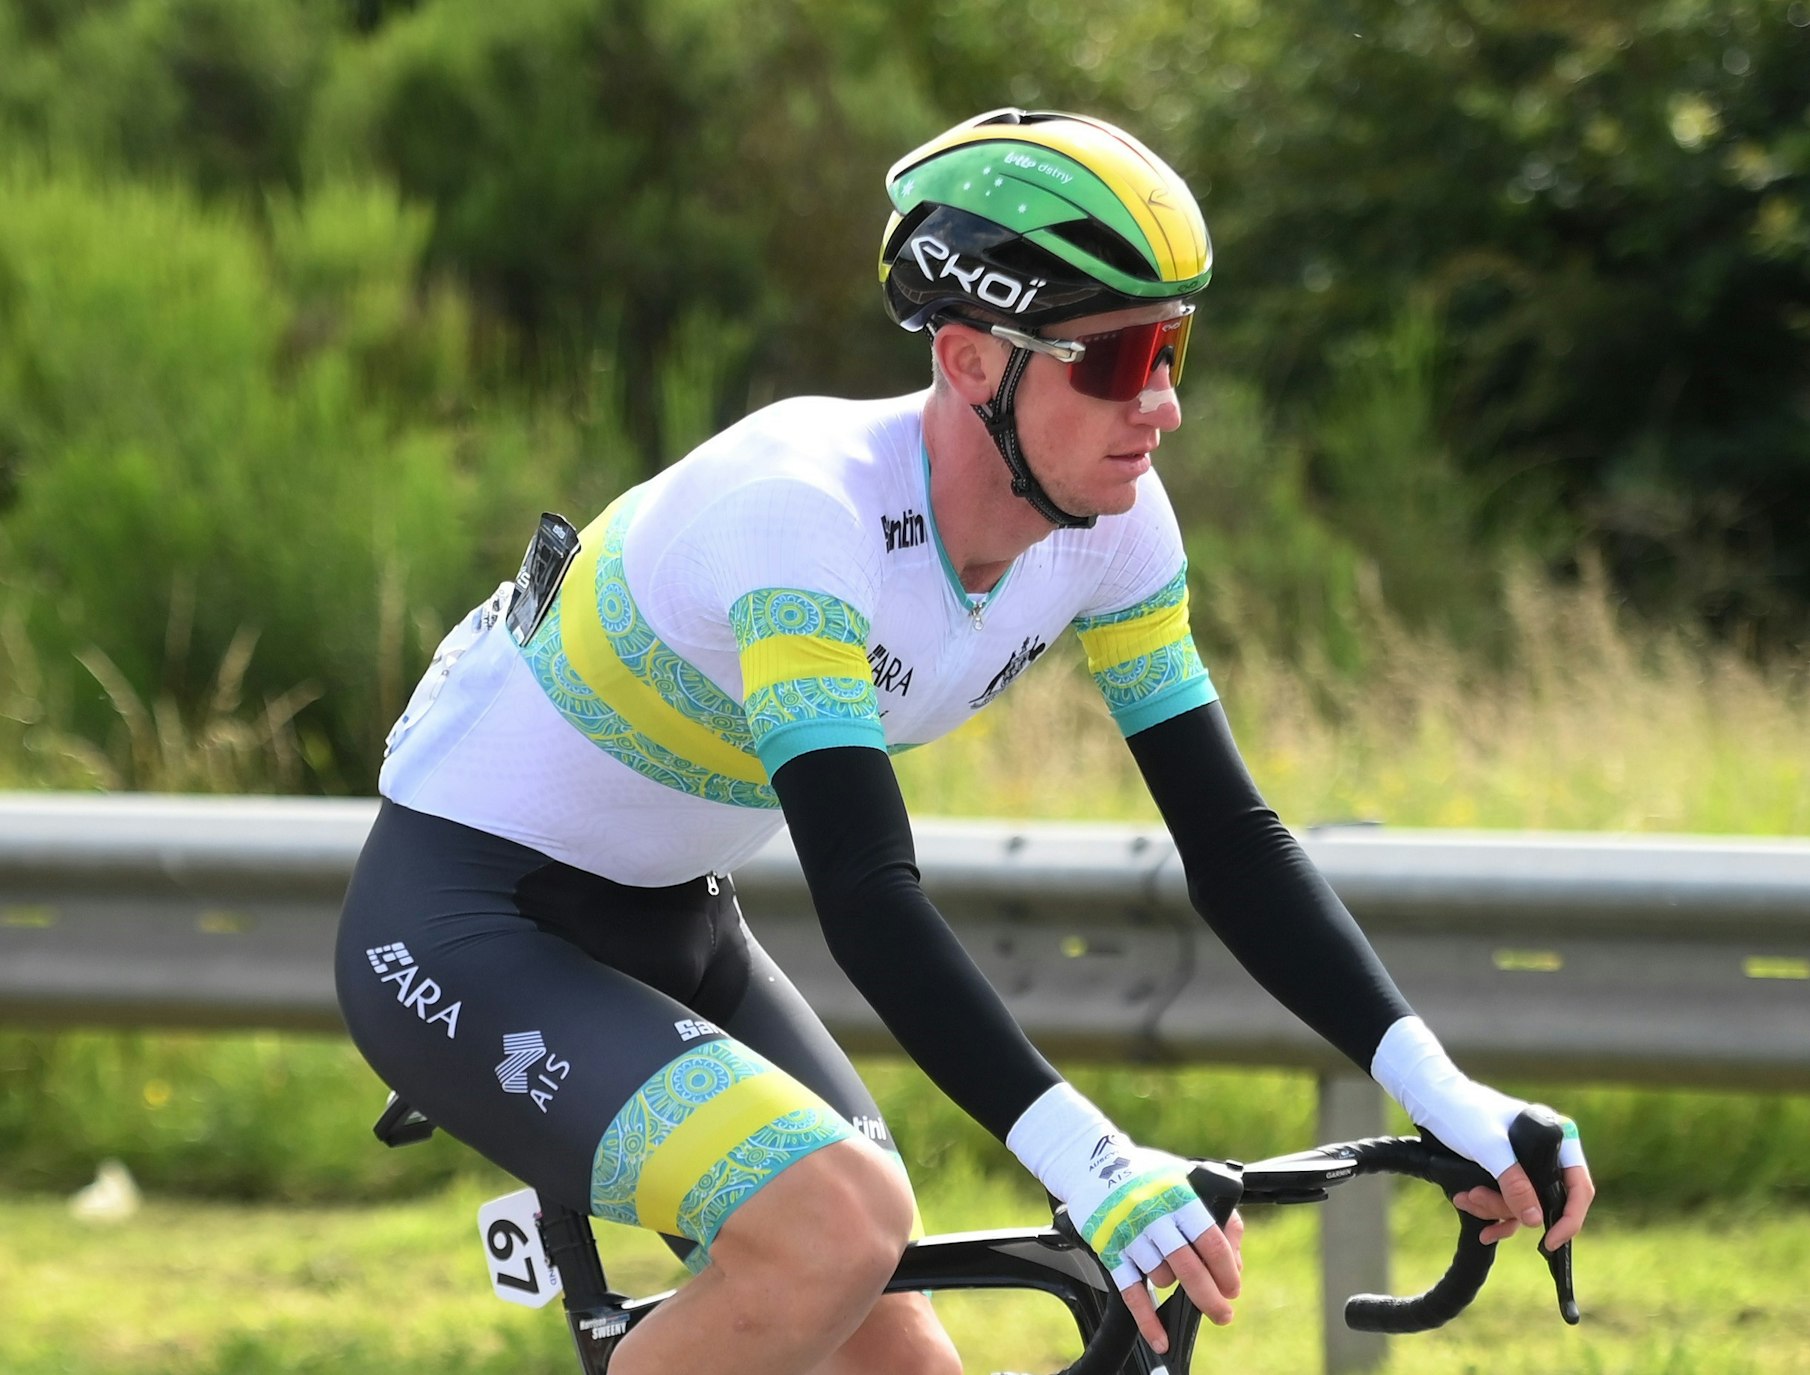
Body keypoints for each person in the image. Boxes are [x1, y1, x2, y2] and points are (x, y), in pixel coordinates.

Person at [335, 107, 1594, 1373]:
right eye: (1116, 359)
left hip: (680, 926)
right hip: (466, 923)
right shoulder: (797, 514)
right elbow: (868, 892)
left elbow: (1231, 842)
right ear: (973, 360)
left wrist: (1453, 1100)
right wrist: (1093, 1164)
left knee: (903, 1355)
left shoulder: (1114, 523)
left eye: (1173, 349)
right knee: (838, 1229)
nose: (1159, 404)